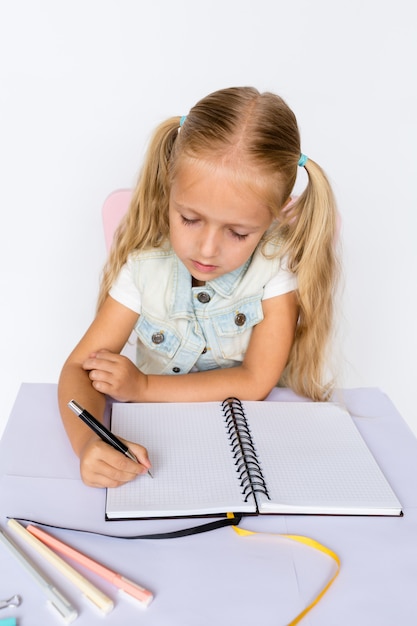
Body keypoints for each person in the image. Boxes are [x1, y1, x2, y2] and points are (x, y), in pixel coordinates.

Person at [58, 86, 340, 488]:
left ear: (273, 217)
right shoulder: (143, 270)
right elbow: (76, 369)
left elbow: (255, 380)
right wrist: (88, 443)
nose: (208, 250)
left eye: (238, 233)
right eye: (190, 219)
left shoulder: (275, 268)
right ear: (169, 191)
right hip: (158, 451)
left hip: (251, 448)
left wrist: (143, 386)